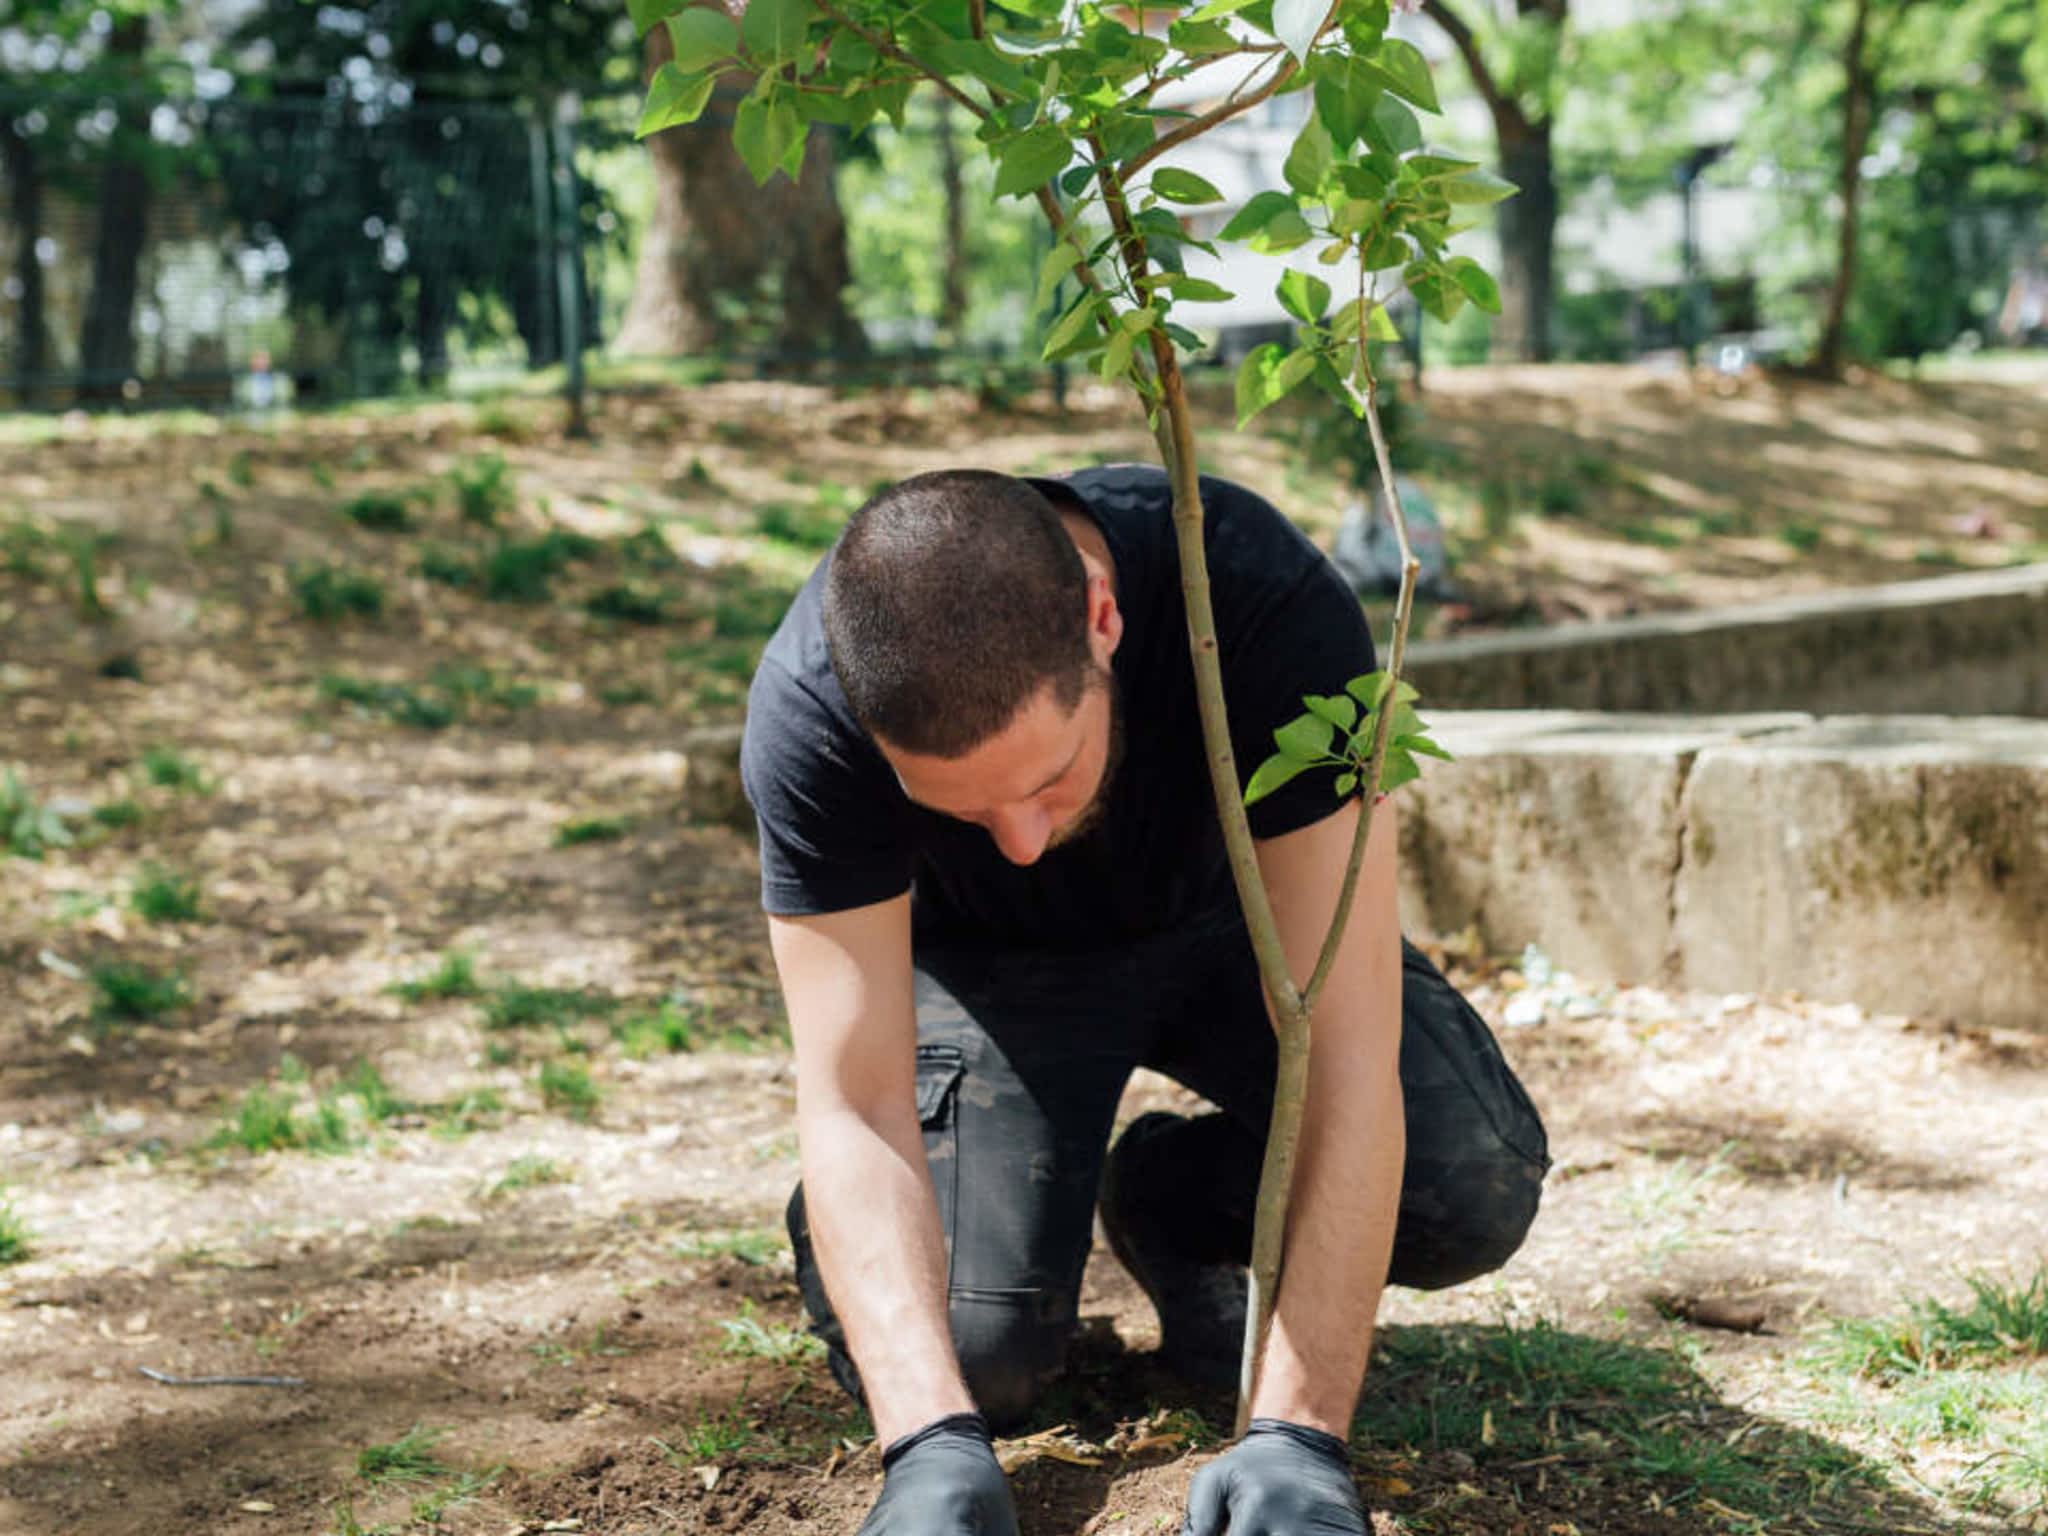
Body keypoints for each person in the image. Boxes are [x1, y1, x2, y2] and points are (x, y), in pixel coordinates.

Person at [739, 465, 1550, 1536]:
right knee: (975, 1359)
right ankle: (960, 1241)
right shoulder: (813, 705)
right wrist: (926, 1442)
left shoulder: (1259, 598)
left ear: (1102, 618)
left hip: (1237, 931)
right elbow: (852, 1104)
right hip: (987, 977)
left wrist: (1298, 1439)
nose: (1019, 843)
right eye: (963, 811)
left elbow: (1347, 1057)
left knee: (1465, 1181)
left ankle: (1169, 1204)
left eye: (1045, 781)